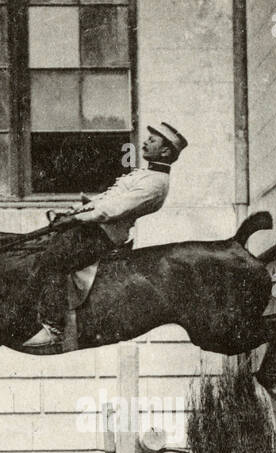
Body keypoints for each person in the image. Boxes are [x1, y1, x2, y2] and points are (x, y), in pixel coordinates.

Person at [22, 122, 188, 349]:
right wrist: (78, 209)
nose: (146, 142)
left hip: (104, 235)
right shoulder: (146, 173)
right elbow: (108, 201)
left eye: (153, 140)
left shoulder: (156, 184)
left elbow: (112, 210)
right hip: (95, 228)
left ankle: (53, 328)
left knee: (52, 261)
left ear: (166, 150)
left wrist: (75, 219)